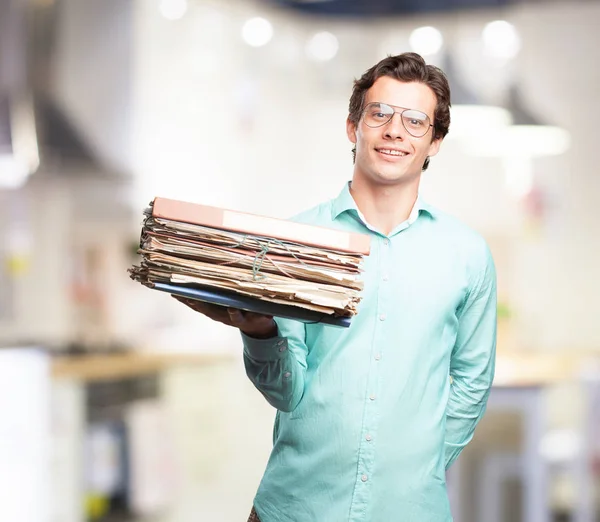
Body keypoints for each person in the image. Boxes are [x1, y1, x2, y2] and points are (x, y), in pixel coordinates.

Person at [174, 52, 497, 522]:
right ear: (353, 127)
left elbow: (472, 382)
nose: (394, 131)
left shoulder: (467, 255)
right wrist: (261, 331)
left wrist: (416, 469)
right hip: (295, 508)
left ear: (436, 142)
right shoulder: (292, 241)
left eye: (415, 121)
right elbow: (286, 392)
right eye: (379, 114)